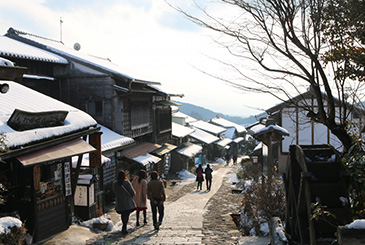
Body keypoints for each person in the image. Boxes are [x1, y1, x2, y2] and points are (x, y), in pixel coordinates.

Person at [113, 170, 136, 235]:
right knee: (126, 214)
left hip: (120, 202)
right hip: (127, 202)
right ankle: (124, 226)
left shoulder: (115, 183)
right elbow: (133, 192)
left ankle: (124, 226)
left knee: (123, 214)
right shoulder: (127, 183)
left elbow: (115, 192)